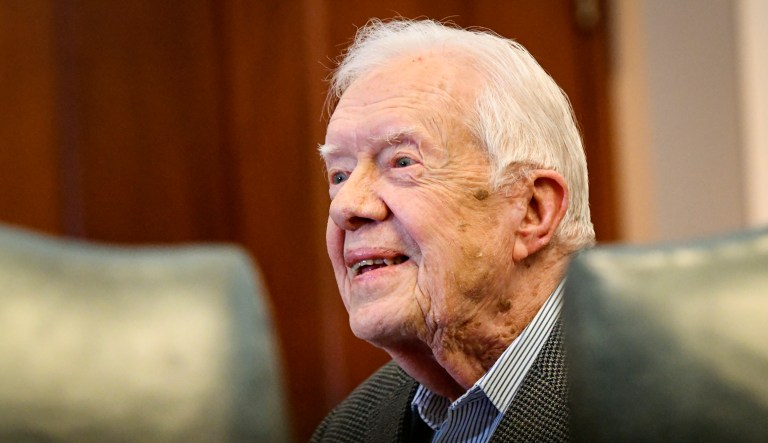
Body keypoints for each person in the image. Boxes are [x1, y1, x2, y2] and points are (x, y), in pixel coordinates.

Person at [311, 18, 595, 443]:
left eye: (402, 162)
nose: (347, 207)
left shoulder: (656, 407)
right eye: (339, 174)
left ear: (532, 211)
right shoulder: (349, 430)